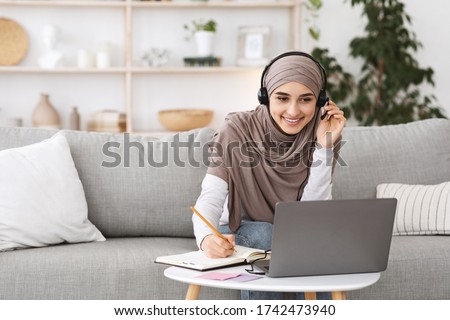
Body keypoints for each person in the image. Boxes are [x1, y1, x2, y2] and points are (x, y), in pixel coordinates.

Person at [192, 51, 346, 299]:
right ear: (265, 97)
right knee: (264, 233)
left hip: (294, 232)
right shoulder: (236, 130)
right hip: (240, 227)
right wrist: (206, 237)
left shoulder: (322, 133)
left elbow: (311, 215)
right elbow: (211, 195)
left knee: (319, 245)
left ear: (320, 101)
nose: (293, 111)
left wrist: (324, 147)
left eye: (305, 100)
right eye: (282, 98)